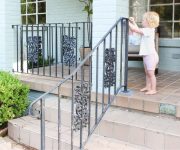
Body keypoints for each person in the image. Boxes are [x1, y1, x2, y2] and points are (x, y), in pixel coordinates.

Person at [129, 11, 159, 95]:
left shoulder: (149, 30)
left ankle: (153, 89)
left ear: (149, 22)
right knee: (147, 73)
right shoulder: (146, 30)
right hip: (146, 56)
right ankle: (148, 86)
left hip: (151, 56)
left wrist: (127, 22)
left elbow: (134, 29)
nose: (142, 21)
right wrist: (133, 22)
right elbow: (137, 29)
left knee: (151, 74)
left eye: (143, 20)